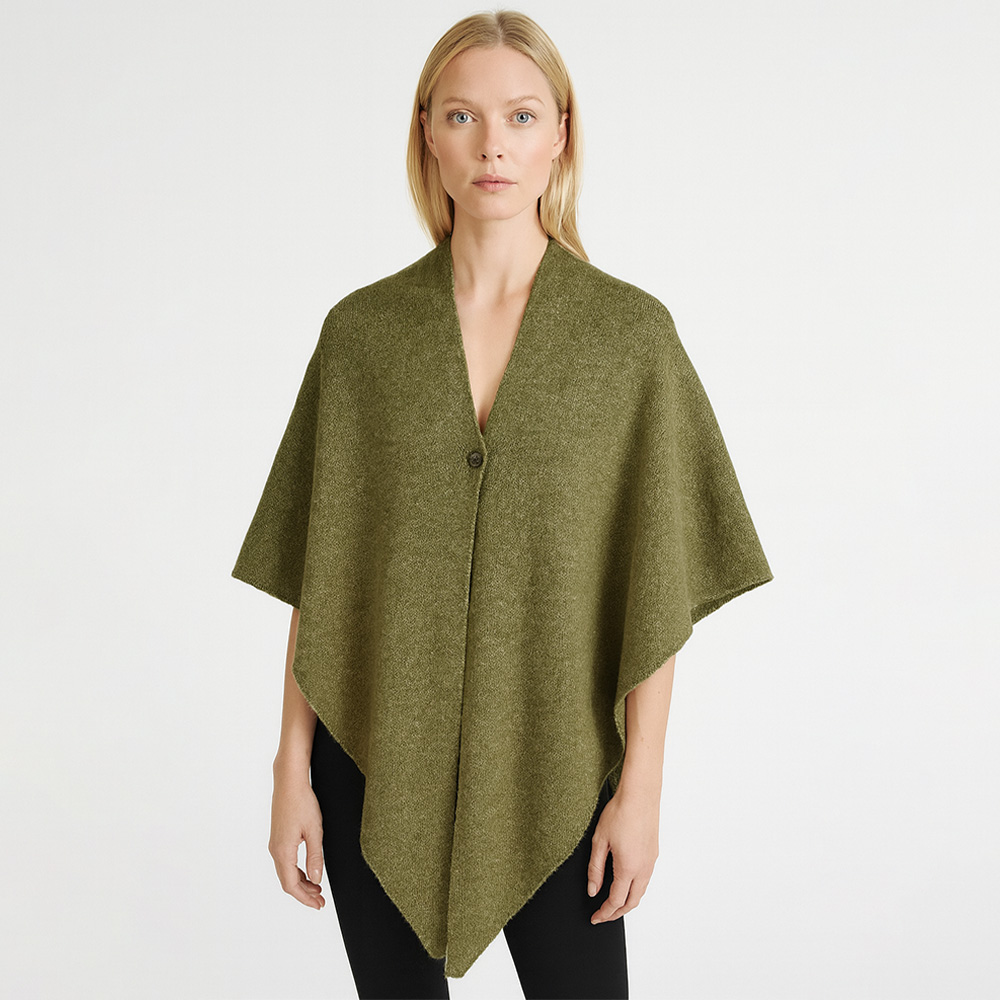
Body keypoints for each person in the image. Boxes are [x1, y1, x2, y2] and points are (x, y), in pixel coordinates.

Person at [232, 10, 773, 1000]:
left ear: (560, 133)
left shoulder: (628, 340)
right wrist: (290, 770)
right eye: (463, 116)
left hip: (557, 763)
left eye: (521, 116)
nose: (492, 145)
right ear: (427, 134)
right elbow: (324, 574)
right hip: (374, 761)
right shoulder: (362, 337)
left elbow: (654, 581)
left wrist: (641, 790)